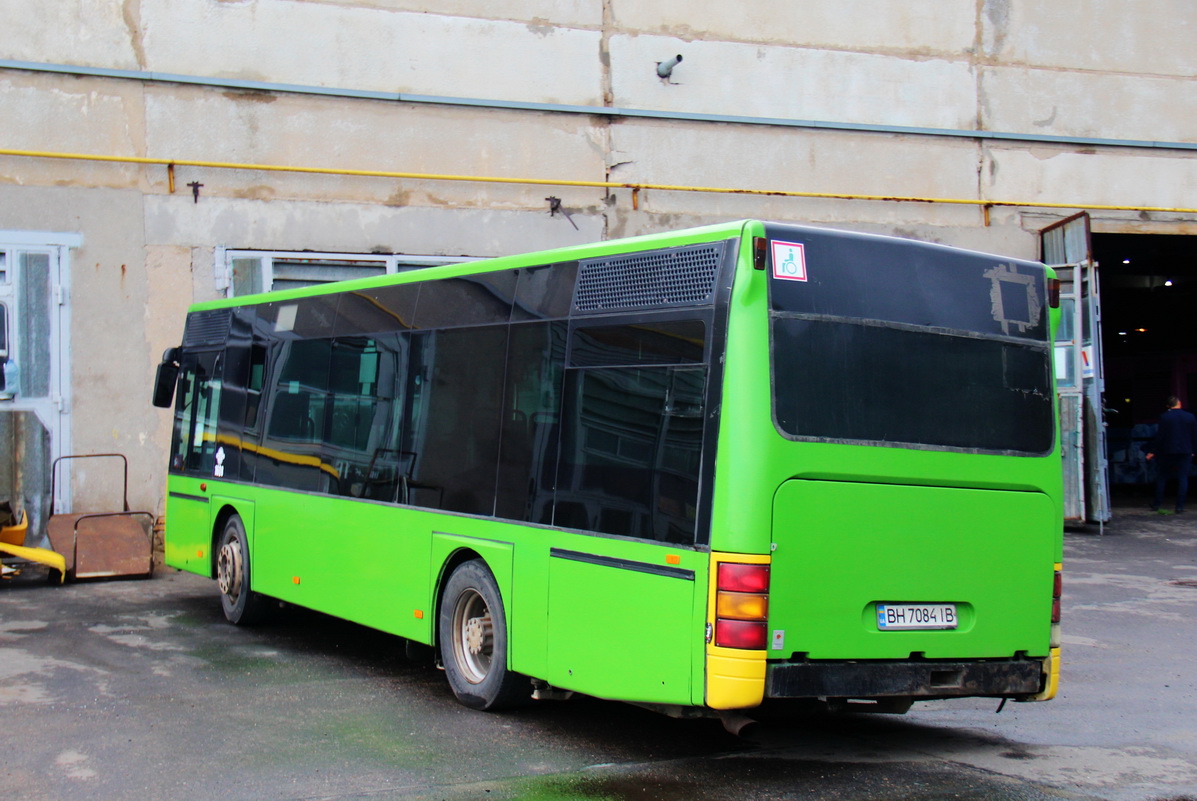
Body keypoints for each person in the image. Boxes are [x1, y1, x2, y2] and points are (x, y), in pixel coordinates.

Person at [1145, 396, 1197, 514]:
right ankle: (1179, 506)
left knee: (1162, 477)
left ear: (1168, 406)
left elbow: (1160, 437)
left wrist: (1153, 451)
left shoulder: (1165, 417)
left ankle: (1157, 504)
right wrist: (1193, 450)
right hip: (1185, 451)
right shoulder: (1190, 417)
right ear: (1180, 404)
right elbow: (1194, 435)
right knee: (1183, 478)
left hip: (1167, 451)